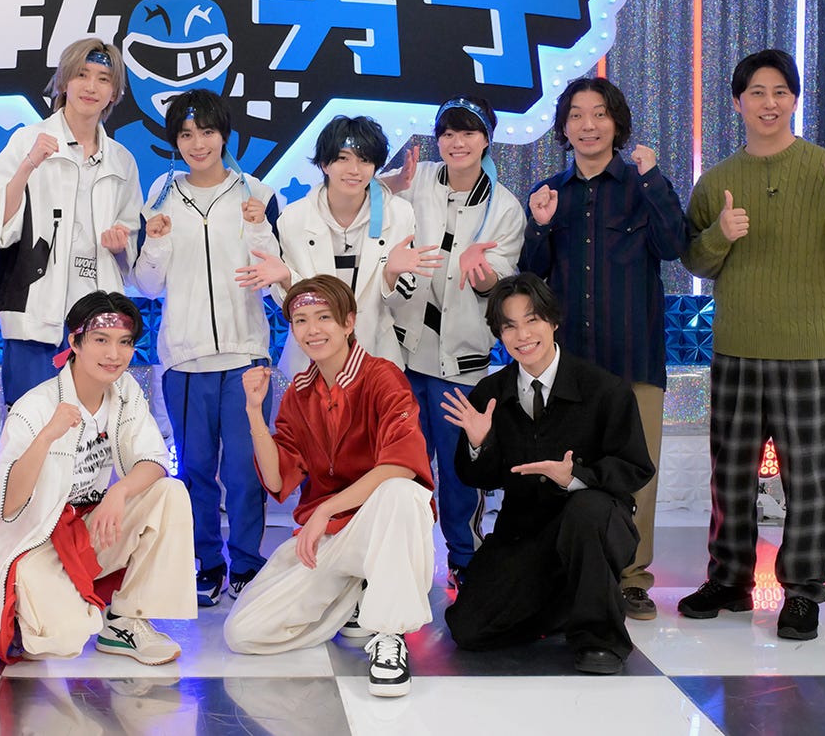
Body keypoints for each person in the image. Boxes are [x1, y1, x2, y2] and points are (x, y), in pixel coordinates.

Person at [677, 48, 825, 641]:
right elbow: (693, 258)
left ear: (794, 99)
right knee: (730, 477)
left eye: (780, 92)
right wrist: (720, 235)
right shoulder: (716, 181)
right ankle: (728, 581)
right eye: (757, 92)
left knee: (810, 481)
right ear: (737, 102)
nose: (769, 103)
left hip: (805, 353)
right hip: (736, 351)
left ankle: (801, 593)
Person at [520, 76, 689, 620]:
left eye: (599, 114)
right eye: (576, 115)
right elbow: (531, 279)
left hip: (634, 358)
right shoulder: (550, 193)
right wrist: (540, 227)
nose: (587, 125)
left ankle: (632, 577)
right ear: (563, 127)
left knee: (638, 473)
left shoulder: (643, 184)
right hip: (569, 366)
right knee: (567, 468)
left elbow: (675, 246)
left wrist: (654, 179)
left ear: (617, 123)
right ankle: (570, 574)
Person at [224, 275, 434, 699]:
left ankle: (388, 632)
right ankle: (355, 593)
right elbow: (277, 479)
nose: (312, 329)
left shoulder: (382, 376)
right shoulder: (298, 394)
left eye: (324, 317)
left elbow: (402, 464)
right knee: (243, 633)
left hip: (377, 526)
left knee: (402, 493)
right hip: (332, 540)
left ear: (349, 322)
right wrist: (253, 412)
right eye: (301, 320)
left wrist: (325, 508)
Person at [0, 291, 196, 665]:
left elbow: (154, 461)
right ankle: (38, 605)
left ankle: (125, 621)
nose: (114, 354)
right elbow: (7, 503)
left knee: (170, 492)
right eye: (101, 340)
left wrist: (119, 492)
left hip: (90, 522)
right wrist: (46, 437)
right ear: (74, 342)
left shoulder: (125, 392)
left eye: (124, 342)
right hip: (33, 537)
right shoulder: (35, 406)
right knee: (62, 639)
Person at [442, 273, 653, 674]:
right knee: (469, 629)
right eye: (509, 326)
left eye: (532, 320)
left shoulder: (605, 389)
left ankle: (599, 638)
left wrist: (574, 477)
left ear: (553, 321)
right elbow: (477, 478)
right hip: (524, 532)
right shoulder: (490, 393)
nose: (522, 335)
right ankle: (564, 605)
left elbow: (635, 466)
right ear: (499, 334)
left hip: (596, 527)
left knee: (586, 510)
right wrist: (480, 444)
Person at [133, 89, 280, 607]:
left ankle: (246, 562)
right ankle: (207, 563)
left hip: (246, 357)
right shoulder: (161, 194)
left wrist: (259, 228)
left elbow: (274, 280)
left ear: (225, 135)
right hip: (184, 359)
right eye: (186, 134)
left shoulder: (255, 192)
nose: (198, 143)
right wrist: (154, 241)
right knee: (195, 470)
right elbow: (147, 285)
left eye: (207, 132)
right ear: (175, 141)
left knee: (244, 470)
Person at [390, 95, 525, 586]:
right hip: (404, 354)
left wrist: (481, 270)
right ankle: (398, 562)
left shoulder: (504, 207)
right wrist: (393, 184)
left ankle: (464, 560)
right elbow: (366, 198)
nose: (456, 142)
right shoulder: (418, 178)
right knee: (400, 467)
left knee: (459, 472)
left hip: (460, 365)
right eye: (447, 133)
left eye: (468, 132)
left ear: (487, 138)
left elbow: (500, 288)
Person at [0, 38, 144, 405]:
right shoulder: (28, 140)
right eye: (82, 74)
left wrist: (121, 246)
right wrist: (28, 165)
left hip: (98, 323)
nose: (91, 86)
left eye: (103, 79)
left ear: (114, 93)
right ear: (64, 81)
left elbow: (130, 243)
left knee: (92, 427)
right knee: (30, 424)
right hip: (36, 317)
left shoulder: (122, 161)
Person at [235, 115, 429, 376]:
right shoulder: (294, 218)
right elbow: (291, 306)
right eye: (343, 158)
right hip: (309, 362)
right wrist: (287, 279)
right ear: (324, 164)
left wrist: (392, 275)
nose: (354, 170)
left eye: (364, 160)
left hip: (375, 356)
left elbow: (400, 301)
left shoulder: (399, 213)